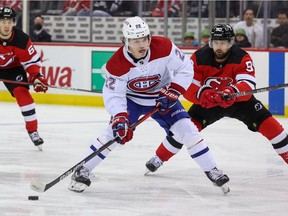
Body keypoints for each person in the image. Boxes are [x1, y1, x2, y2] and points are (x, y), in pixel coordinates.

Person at [68, 16, 230, 193]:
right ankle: (83, 168)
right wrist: (120, 117)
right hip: (133, 100)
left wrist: (174, 90)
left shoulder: (164, 47)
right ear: (126, 41)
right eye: (136, 41)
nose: (142, 45)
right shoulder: (116, 64)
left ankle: (212, 169)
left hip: (163, 96)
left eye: (144, 39)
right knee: (114, 133)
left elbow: (185, 68)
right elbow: (114, 94)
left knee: (187, 129)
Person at [145, 24, 288, 176]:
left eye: (223, 43)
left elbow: (248, 84)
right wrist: (203, 94)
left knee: (274, 129)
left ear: (231, 43)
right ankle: (159, 157)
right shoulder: (199, 57)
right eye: (216, 42)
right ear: (211, 42)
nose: (219, 47)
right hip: (209, 104)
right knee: (183, 130)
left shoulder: (242, 57)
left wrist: (232, 91)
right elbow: (188, 85)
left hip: (240, 103)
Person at [0, 7, 49, 151]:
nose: (6, 25)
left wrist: (36, 76)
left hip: (12, 69)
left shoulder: (21, 39)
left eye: (9, 21)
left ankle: (33, 131)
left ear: (14, 22)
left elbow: (31, 62)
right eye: (2, 21)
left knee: (23, 94)